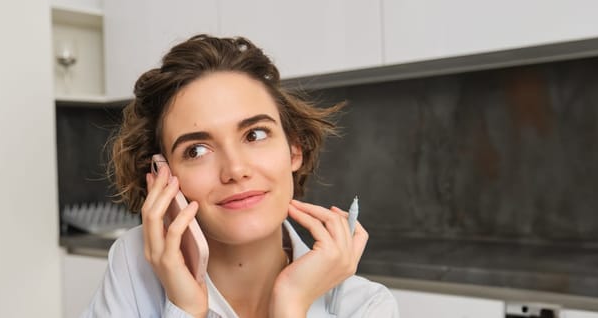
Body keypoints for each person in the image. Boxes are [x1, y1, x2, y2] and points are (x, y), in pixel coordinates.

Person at [82, 35, 398, 317]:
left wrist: (290, 304)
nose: (235, 170)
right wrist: (186, 310)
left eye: (255, 134)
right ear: (162, 176)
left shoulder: (365, 307)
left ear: (294, 149)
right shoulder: (134, 263)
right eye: (197, 151)